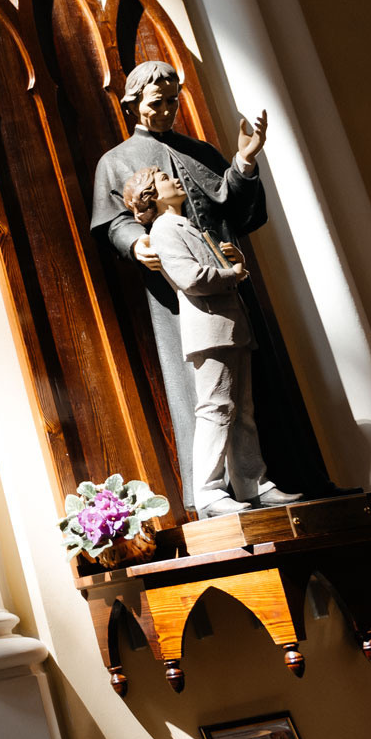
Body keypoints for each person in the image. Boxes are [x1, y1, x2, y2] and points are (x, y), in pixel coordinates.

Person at [91, 62, 302, 509]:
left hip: (227, 292)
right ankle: (209, 492)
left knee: (243, 395)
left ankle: (253, 482)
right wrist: (135, 244)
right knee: (206, 396)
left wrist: (244, 161)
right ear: (132, 104)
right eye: (156, 103)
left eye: (173, 102)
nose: (167, 111)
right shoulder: (115, 162)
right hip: (176, 297)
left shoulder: (198, 150)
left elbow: (237, 209)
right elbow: (112, 223)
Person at [122, 166, 284, 517]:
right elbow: (191, 278)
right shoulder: (164, 229)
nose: (174, 180)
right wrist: (232, 274)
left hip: (227, 327)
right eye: (164, 179)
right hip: (210, 330)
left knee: (241, 410)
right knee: (216, 410)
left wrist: (233, 263)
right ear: (151, 195)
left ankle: (252, 485)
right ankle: (209, 493)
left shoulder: (183, 225)